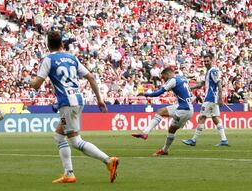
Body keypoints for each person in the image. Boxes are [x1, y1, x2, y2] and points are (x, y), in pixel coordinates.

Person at [31, 30, 119, 183]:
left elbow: (37, 84)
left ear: (47, 44)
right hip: (78, 99)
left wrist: (30, 81)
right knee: (59, 136)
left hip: (67, 102)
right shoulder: (72, 58)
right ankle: (68, 173)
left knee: (76, 141)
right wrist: (99, 99)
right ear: (62, 43)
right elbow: (90, 77)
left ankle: (108, 161)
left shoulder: (48, 59)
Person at [131, 68, 194, 156]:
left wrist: (144, 94)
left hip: (183, 109)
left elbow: (158, 93)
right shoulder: (182, 78)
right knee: (171, 129)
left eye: (163, 77)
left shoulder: (173, 80)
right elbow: (191, 95)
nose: (163, 79)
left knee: (161, 112)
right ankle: (164, 150)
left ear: (167, 74)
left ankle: (145, 133)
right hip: (189, 109)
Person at [182, 54, 228, 146]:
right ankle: (224, 140)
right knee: (215, 118)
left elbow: (219, 84)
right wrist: (190, 88)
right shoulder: (208, 71)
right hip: (211, 98)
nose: (206, 62)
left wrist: (220, 98)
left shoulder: (213, 71)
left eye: (208, 61)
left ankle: (193, 140)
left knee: (202, 117)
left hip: (210, 98)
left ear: (212, 60)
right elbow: (202, 84)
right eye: (205, 61)